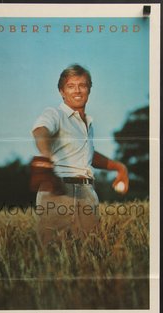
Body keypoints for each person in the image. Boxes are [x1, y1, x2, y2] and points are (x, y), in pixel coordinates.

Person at [30, 64, 129, 243]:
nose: (77, 90)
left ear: (89, 89)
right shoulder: (54, 113)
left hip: (87, 192)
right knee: (53, 252)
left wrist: (119, 167)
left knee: (91, 251)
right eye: (70, 86)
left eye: (82, 85)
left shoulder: (87, 123)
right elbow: (41, 130)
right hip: (58, 189)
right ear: (61, 91)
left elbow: (89, 154)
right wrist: (45, 155)